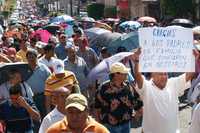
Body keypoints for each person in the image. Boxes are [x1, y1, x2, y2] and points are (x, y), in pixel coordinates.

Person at [131, 48, 196, 133]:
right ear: (152, 75)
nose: (164, 77)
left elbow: (189, 75)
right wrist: (137, 61)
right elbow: (138, 76)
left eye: (165, 74)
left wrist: (194, 59)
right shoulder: (146, 87)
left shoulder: (173, 83)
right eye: (160, 74)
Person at [95, 62, 143, 133]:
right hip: (109, 126)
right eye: (124, 73)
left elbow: (136, 100)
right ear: (116, 74)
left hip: (126, 124)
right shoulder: (103, 88)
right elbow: (97, 107)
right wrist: (98, 123)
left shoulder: (128, 86)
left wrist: (139, 111)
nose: (127, 74)